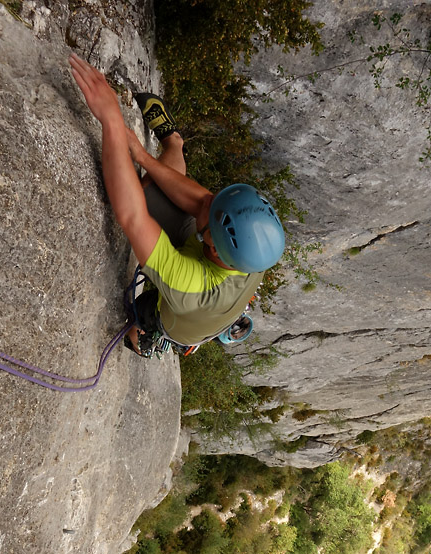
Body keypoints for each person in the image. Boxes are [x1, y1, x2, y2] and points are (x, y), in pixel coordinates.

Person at [68, 54, 285, 355]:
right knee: (149, 187)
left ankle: (147, 336)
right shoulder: (257, 247)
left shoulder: (190, 285)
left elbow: (132, 216)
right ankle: (174, 141)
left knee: (139, 317)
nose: (207, 201)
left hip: (173, 318)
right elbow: (202, 202)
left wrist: (111, 121)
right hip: (206, 277)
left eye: (210, 216)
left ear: (212, 243)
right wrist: (141, 157)